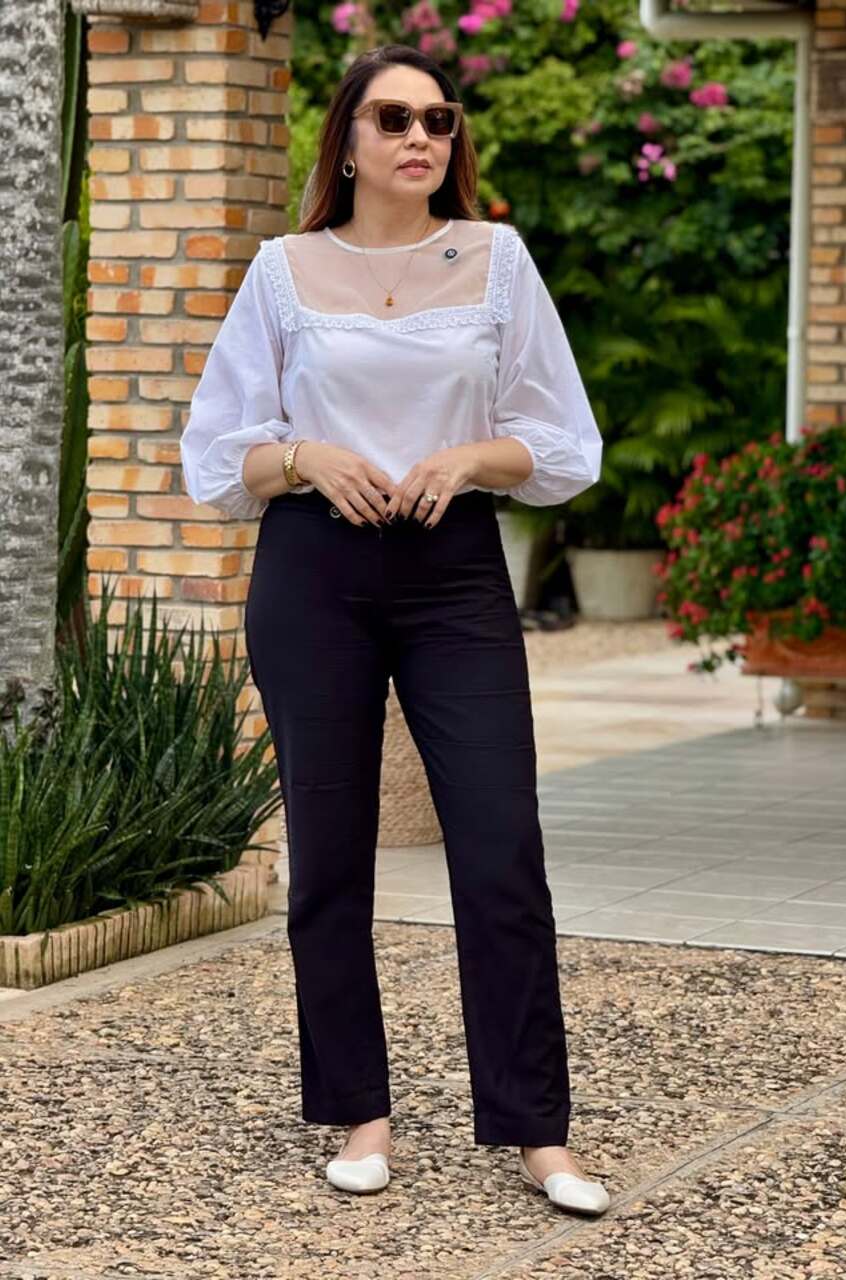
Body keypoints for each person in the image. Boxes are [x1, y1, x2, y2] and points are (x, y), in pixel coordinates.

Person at [179, 43, 609, 1216]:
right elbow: (215, 453)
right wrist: (304, 455)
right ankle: (359, 1114)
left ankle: (536, 1129)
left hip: (452, 570)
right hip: (312, 569)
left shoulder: (495, 260)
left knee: (500, 844)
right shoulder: (283, 270)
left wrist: (467, 457)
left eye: (439, 118)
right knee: (328, 851)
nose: (422, 136)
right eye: (394, 118)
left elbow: (561, 441)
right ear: (349, 142)